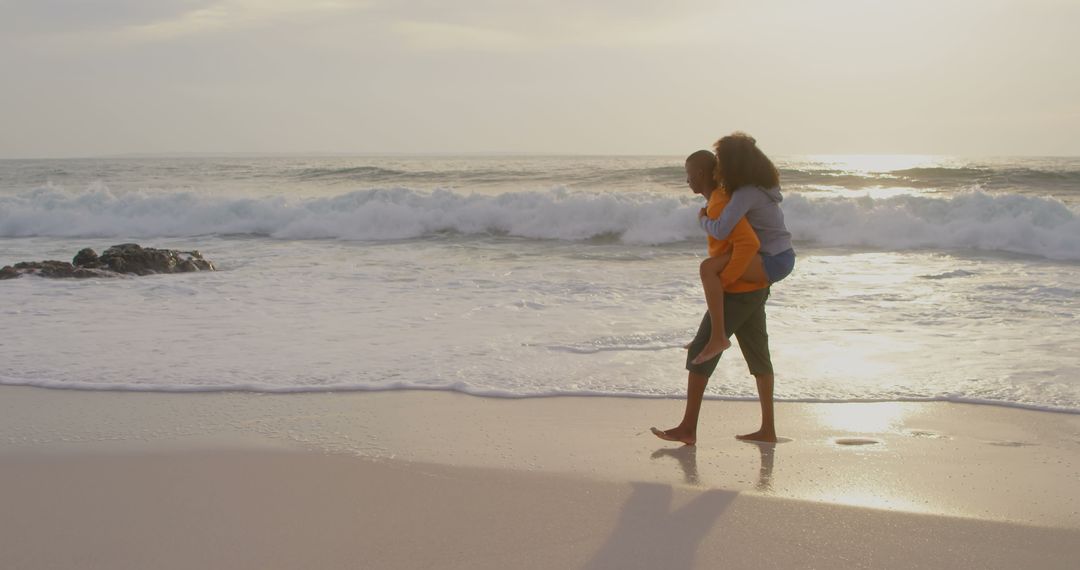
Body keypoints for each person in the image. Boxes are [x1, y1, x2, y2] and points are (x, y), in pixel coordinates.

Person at [650, 148, 778, 444]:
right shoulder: (720, 200)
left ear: (700, 174)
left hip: (738, 292)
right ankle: (768, 429)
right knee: (759, 356)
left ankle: (688, 428)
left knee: (701, 352)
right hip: (755, 289)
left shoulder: (720, 202)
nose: (687, 181)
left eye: (688, 174)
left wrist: (727, 279)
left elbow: (748, 243)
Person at [690, 133, 795, 365]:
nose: (718, 166)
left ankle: (716, 337)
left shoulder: (745, 194)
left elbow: (721, 230)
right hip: (784, 256)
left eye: (721, 160)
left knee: (709, 270)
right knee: (718, 272)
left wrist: (703, 219)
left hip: (772, 259)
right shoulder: (763, 186)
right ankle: (711, 337)